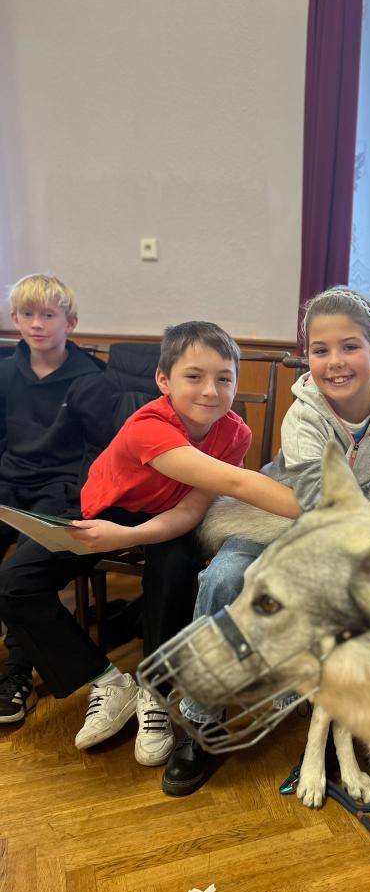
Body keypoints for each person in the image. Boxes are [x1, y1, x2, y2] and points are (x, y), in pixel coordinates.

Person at [0, 321, 300, 767]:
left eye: (224, 378)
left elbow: (191, 511)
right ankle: (107, 682)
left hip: (166, 512)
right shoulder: (148, 424)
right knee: (15, 583)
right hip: (108, 508)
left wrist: (130, 538)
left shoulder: (235, 433)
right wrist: (325, 509)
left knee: (177, 565)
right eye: (194, 376)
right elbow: (237, 483)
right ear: (164, 380)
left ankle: (155, 691)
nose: (211, 390)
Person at [162, 286, 370, 796]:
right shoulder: (303, 416)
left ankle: (344, 719)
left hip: (353, 527)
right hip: (278, 516)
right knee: (223, 580)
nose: (335, 362)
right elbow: (310, 505)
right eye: (320, 350)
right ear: (308, 357)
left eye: (349, 346)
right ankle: (200, 717)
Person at [0, 274, 114, 725]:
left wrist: (76, 502)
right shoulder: (6, 371)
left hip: (60, 492)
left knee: (19, 576)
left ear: (71, 322)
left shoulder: (91, 378)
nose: (37, 324)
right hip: (8, 484)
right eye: (27, 314)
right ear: (14, 319)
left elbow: (100, 453)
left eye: (48, 315)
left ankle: (17, 671)